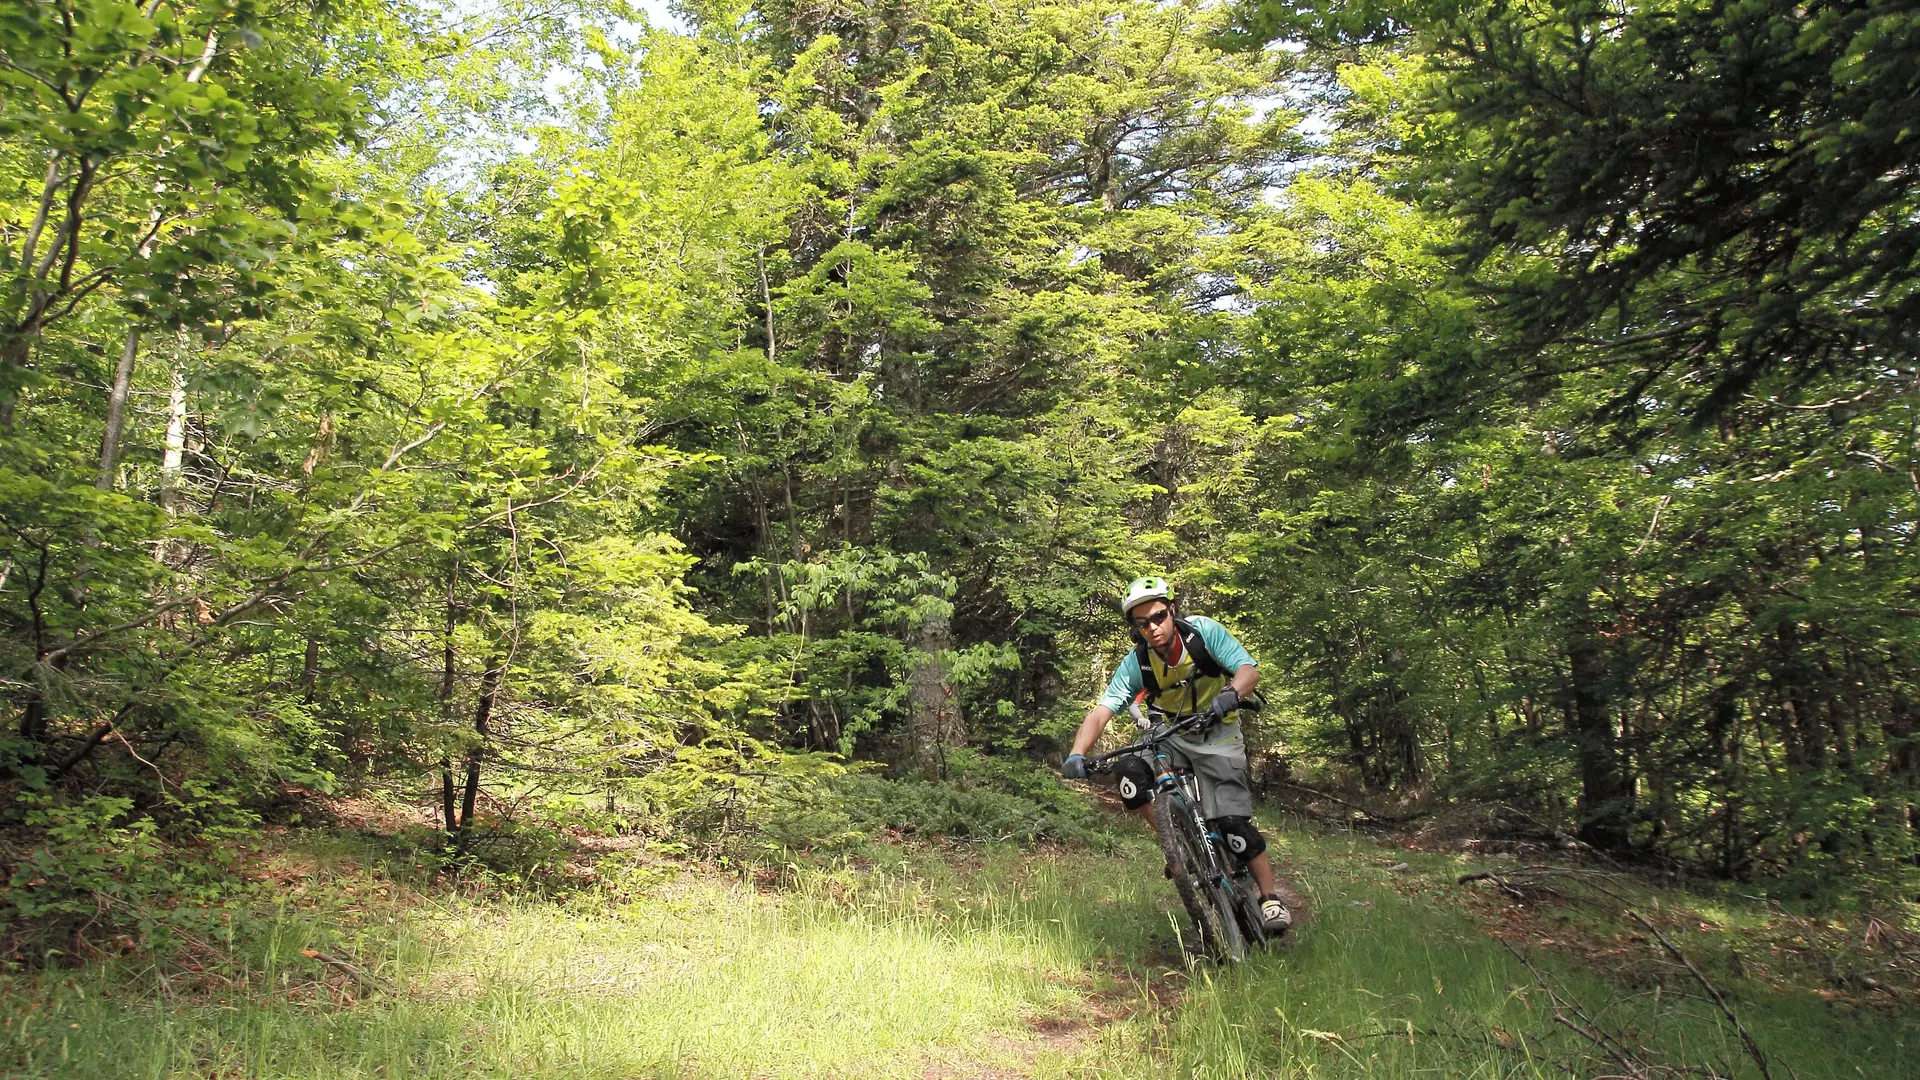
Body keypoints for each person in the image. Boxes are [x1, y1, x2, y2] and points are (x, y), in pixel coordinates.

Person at [1061, 576, 1291, 932]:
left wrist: (1231, 693)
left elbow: (1247, 670)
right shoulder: (1137, 663)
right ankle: (1176, 844)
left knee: (1234, 825)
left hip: (1217, 729)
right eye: (1142, 624)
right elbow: (1102, 710)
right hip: (1168, 733)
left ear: (1172, 611)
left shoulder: (1203, 634)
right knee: (1130, 776)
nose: (1152, 628)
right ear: (1135, 629)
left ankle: (1270, 898)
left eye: (1157, 617)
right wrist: (1078, 753)